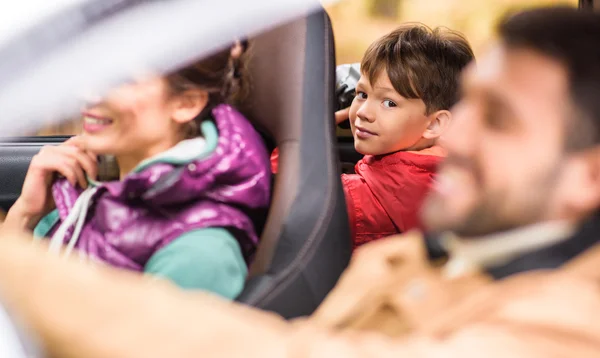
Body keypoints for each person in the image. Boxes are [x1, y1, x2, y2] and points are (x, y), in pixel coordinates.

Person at [0, 6, 599, 358]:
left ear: (589, 174)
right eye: (469, 109)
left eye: (499, 121)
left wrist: (14, 265)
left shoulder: (567, 327)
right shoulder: (411, 263)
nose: (459, 138)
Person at [2, 41, 271, 298]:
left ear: (186, 103)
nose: (87, 93)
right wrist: (25, 215)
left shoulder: (199, 255)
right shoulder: (96, 193)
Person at [275, 25, 475, 249]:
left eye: (389, 103)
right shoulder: (452, 175)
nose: (362, 112)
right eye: (361, 94)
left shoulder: (365, 200)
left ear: (435, 123)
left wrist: (299, 138)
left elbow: (283, 195)